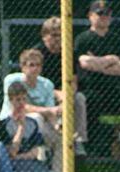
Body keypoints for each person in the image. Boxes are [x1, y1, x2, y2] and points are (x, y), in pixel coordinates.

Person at [74, 1, 120, 150]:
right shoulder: (82, 39)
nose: (104, 17)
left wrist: (99, 64)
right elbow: (85, 62)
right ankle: (93, 148)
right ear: (90, 16)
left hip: (115, 89)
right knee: (87, 101)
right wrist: (111, 60)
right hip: (91, 88)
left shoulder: (117, 39)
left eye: (107, 13)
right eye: (100, 13)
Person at [0, 48, 63, 172]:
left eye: (38, 65)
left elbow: (50, 114)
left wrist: (58, 127)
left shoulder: (47, 84)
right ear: (23, 67)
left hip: (38, 127)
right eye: (31, 65)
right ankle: (39, 153)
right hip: (11, 123)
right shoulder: (12, 80)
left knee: (61, 139)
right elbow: (19, 106)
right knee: (36, 116)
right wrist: (46, 111)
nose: (35, 68)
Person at [33, 17, 88, 147]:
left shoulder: (69, 52)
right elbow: (35, 82)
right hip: (43, 91)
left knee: (79, 98)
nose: (58, 39)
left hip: (65, 91)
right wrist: (57, 94)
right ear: (44, 36)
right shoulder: (37, 53)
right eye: (54, 35)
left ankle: (78, 140)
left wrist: (68, 94)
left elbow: (74, 79)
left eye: (61, 35)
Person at [1, 82, 60, 172]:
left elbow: (36, 151)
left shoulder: (32, 123)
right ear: (11, 100)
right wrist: (21, 127)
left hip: (29, 162)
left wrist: (21, 156)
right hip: (12, 165)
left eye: (24, 99)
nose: (21, 103)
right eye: (18, 100)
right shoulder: (4, 124)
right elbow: (11, 152)